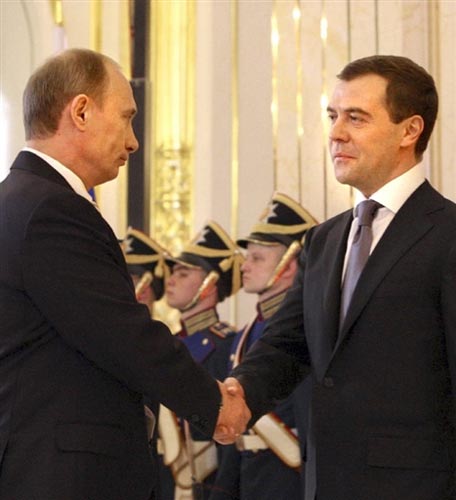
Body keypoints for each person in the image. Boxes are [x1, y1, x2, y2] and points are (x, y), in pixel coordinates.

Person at [0, 47, 250, 500]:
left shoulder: (17, 200)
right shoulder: (52, 209)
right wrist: (213, 404)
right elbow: (120, 333)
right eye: (126, 118)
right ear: (81, 111)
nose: (133, 142)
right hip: (63, 476)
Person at [219, 55, 456, 500]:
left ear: (410, 130)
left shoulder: (447, 234)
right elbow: (288, 345)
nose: (335, 133)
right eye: (333, 116)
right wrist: (237, 394)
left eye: (356, 118)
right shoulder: (324, 240)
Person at [210, 192, 317, 500]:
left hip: (290, 483)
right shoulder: (245, 334)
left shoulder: (306, 331)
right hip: (250, 481)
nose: (245, 266)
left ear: (290, 264)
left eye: (257, 258)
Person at [164, 220, 244, 499]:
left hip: (207, 483)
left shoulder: (226, 346)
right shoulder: (167, 343)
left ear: (209, 285)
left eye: (183, 273)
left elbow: (231, 435)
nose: (171, 280)